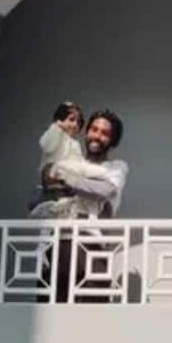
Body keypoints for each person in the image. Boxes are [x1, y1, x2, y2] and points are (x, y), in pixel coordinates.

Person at [39, 109, 129, 302]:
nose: (97, 136)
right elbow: (37, 198)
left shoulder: (116, 168)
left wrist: (66, 180)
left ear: (113, 141)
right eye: (94, 129)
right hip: (56, 245)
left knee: (93, 314)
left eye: (105, 133)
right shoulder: (69, 161)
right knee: (50, 312)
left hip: (90, 247)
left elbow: (104, 191)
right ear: (86, 132)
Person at [28, 101, 111, 219]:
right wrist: (56, 127)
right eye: (71, 120)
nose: (75, 125)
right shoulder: (55, 134)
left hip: (69, 180)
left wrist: (86, 172)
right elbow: (46, 145)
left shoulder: (75, 144)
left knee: (84, 177)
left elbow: (79, 163)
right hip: (55, 176)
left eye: (78, 122)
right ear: (60, 119)